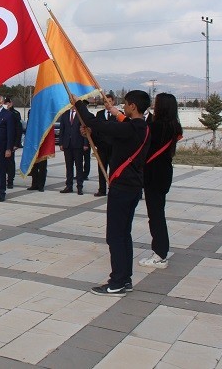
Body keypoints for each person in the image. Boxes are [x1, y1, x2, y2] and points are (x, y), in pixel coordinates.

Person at [73, 90, 151, 296]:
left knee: (115, 236)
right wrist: (90, 133)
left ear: (133, 106)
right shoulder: (140, 127)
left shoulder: (132, 128)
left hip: (123, 188)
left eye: (126, 104)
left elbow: (100, 124)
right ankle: (125, 279)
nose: (123, 107)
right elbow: (110, 139)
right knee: (124, 234)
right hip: (130, 187)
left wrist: (79, 104)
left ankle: (116, 282)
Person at [140, 92, 182, 269]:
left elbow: (140, 133)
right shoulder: (175, 126)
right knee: (158, 213)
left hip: (154, 174)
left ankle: (160, 254)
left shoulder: (156, 127)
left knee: (155, 215)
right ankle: (160, 250)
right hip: (165, 173)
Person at [59, 104, 88, 195]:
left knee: (79, 166)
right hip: (67, 144)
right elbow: (62, 129)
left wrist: (85, 143)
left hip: (78, 144)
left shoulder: (81, 114)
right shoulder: (65, 114)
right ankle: (69, 186)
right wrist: (61, 143)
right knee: (69, 166)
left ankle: (79, 187)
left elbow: (85, 129)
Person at [93, 93, 116, 197]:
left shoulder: (118, 114)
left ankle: (113, 189)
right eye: (105, 102)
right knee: (101, 168)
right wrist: (97, 142)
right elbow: (96, 130)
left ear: (113, 102)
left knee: (113, 169)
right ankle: (102, 189)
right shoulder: (99, 114)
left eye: (109, 101)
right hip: (102, 147)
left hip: (114, 148)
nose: (107, 104)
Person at [4, 96, 22, 189]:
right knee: (1, 163)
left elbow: (18, 130)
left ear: (10, 103)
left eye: (7, 103)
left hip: (10, 143)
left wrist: (16, 143)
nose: (6, 105)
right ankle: (2, 179)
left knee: (10, 163)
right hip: (1, 142)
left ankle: (10, 180)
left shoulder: (15, 114)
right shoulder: (1, 113)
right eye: (4, 103)